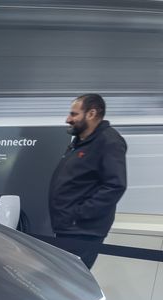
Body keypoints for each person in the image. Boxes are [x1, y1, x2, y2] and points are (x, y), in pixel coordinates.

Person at [48, 93, 127, 269]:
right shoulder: (80, 142)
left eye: (74, 114)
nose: (68, 119)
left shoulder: (109, 141)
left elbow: (115, 185)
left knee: (69, 283)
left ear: (91, 114)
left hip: (82, 231)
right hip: (67, 228)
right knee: (60, 279)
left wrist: (79, 214)